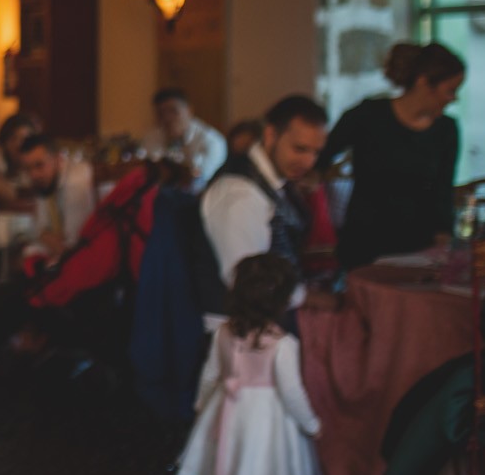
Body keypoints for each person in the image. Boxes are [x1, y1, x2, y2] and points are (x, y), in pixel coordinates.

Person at [173, 252, 322, 475]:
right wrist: (311, 424)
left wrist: (201, 408)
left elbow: (211, 375)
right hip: (265, 422)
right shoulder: (282, 344)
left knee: (223, 472)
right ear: (281, 300)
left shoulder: (224, 332)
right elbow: (292, 393)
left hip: (225, 411)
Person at [318, 42, 465, 270]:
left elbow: (443, 190)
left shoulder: (447, 130)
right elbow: (320, 156)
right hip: (364, 246)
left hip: (419, 249)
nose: (453, 98)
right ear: (424, 83)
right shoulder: (367, 116)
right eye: (450, 90)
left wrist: (444, 237)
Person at [200, 95, 328, 329]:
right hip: (241, 331)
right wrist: (308, 297)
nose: (308, 161)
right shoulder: (240, 193)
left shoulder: (273, 182)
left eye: (315, 152)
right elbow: (246, 282)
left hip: (271, 313)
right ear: (270, 135)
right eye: (299, 149)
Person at [19, 133, 96, 249]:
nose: (33, 175)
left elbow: (73, 247)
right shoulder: (47, 181)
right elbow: (40, 229)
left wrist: (45, 236)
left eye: (39, 165)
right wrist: (45, 235)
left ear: (58, 159)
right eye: (28, 168)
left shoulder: (75, 184)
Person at [144, 87, 227, 189]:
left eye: (173, 111)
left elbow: (200, 181)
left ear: (189, 110)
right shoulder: (152, 137)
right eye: (161, 113)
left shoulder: (212, 141)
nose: (167, 118)